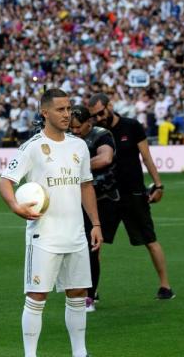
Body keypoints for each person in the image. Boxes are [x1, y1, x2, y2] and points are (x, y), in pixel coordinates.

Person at [0, 88, 102, 357]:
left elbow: (87, 186)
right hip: (44, 236)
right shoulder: (32, 147)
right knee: (37, 297)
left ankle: (80, 352)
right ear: (45, 113)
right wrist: (15, 207)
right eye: (61, 109)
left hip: (76, 234)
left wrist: (96, 225)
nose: (67, 114)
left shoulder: (78, 145)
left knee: (78, 294)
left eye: (69, 109)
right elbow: (5, 182)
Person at [88, 93, 174, 300]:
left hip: (134, 193)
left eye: (101, 112)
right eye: (94, 115)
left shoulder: (132, 126)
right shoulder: (95, 133)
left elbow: (146, 157)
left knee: (150, 240)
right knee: (96, 244)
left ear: (110, 106)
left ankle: (165, 286)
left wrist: (159, 185)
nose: (99, 118)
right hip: (106, 196)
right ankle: (92, 290)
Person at [70, 105, 117, 312]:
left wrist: (77, 166)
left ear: (89, 122)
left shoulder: (101, 135)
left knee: (92, 248)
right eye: (72, 127)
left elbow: (106, 158)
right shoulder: (70, 138)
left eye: (78, 127)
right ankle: (87, 291)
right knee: (80, 248)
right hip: (76, 199)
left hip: (101, 198)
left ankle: (89, 296)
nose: (75, 131)